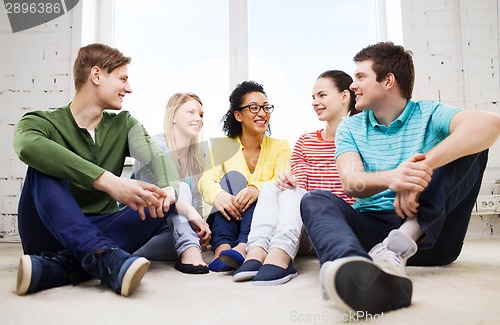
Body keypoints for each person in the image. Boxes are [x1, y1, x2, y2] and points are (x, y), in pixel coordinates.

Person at [300, 41, 500, 315]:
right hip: (371, 233)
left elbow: (489, 124)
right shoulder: (350, 126)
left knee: (472, 147)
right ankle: (354, 269)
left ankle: (398, 245)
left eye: (360, 77)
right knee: (314, 200)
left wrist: (421, 169)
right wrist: (394, 178)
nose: (353, 86)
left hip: (428, 235)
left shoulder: (429, 113)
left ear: (388, 80)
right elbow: (351, 182)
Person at [13, 43, 183, 297]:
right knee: (43, 164)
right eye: (122, 79)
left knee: (162, 202)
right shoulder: (40, 122)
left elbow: (158, 158)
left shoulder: (125, 124)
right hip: (46, 230)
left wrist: (170, 188)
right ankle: (104, 256)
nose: (129, 88)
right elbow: (27, 146)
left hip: (101, 226)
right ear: (96, 75)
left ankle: (62, 267)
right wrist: (107, 181)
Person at [232, 70, 358, 285]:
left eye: (322, 95)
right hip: (301, 226)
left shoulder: (361, 138)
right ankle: (257, 252)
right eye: (313, 97)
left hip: (336, 225)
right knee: (274, 187)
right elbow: (298, 187)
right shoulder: (305, 141)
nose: (315, 102)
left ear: (345, 96)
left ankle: (281, 255)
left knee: (293, 192)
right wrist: (286, 181)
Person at [198, 80, 291, 272]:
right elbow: (206, 180)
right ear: (238, 115)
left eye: (266, 107)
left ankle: (242, 247)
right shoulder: (221, 146)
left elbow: (284, 178)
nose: (262, 113)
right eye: (254, 108)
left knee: (261, 191)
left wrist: (256, 188)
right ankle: (222, 250)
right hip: (228, 215)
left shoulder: (281, 146)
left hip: (262, 220)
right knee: (231, 180)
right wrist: (219, 195)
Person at [132, 93, 211, 274]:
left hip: (173, 230)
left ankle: (189, 245)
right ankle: (190, 250)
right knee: (178, 188)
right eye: (191, 112)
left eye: (201, 115)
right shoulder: (153, 146)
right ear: (173, 116)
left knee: (191, 228)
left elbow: (196, 204)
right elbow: (157, 196)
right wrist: (191, 214)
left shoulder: (199, 156)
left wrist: (199, 229)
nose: (198, 118)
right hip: (144, 223)